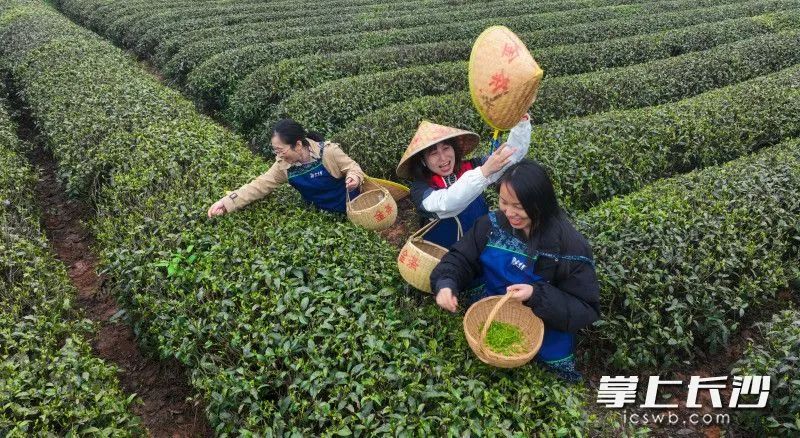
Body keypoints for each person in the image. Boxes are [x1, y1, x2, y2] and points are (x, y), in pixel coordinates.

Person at [430, 159, 600, 381]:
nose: (509, 213)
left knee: (550, 371)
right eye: (503, 202)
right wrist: (446, 283)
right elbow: (461, 257)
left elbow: (585, 308)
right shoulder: (490, 225)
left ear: (541, 203)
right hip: (492, 308)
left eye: (519, 206)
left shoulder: (570, 247)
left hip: (544, 323)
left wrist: (535, 295)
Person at [396, 115, 531, 249]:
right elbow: (446, 204)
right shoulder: (420, 188)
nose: (443, 158)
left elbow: (508, 158)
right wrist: (482, 173)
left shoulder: (472, 166)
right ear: (423, 161)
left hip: (481, 243)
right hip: (445, 253)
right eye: (433, 153)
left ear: (454, 149)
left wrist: (521, 125)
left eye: (446, 148)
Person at [208, 118, 364, 217]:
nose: (279, 155)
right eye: (275, 151)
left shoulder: (328, 152)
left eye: (281, 150)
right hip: (323, 215)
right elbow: (260, 185)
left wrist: (354, 177)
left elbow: (352, 167)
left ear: (298, 145)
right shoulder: (284, 166)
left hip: (357, 209)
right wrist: (227, 203)